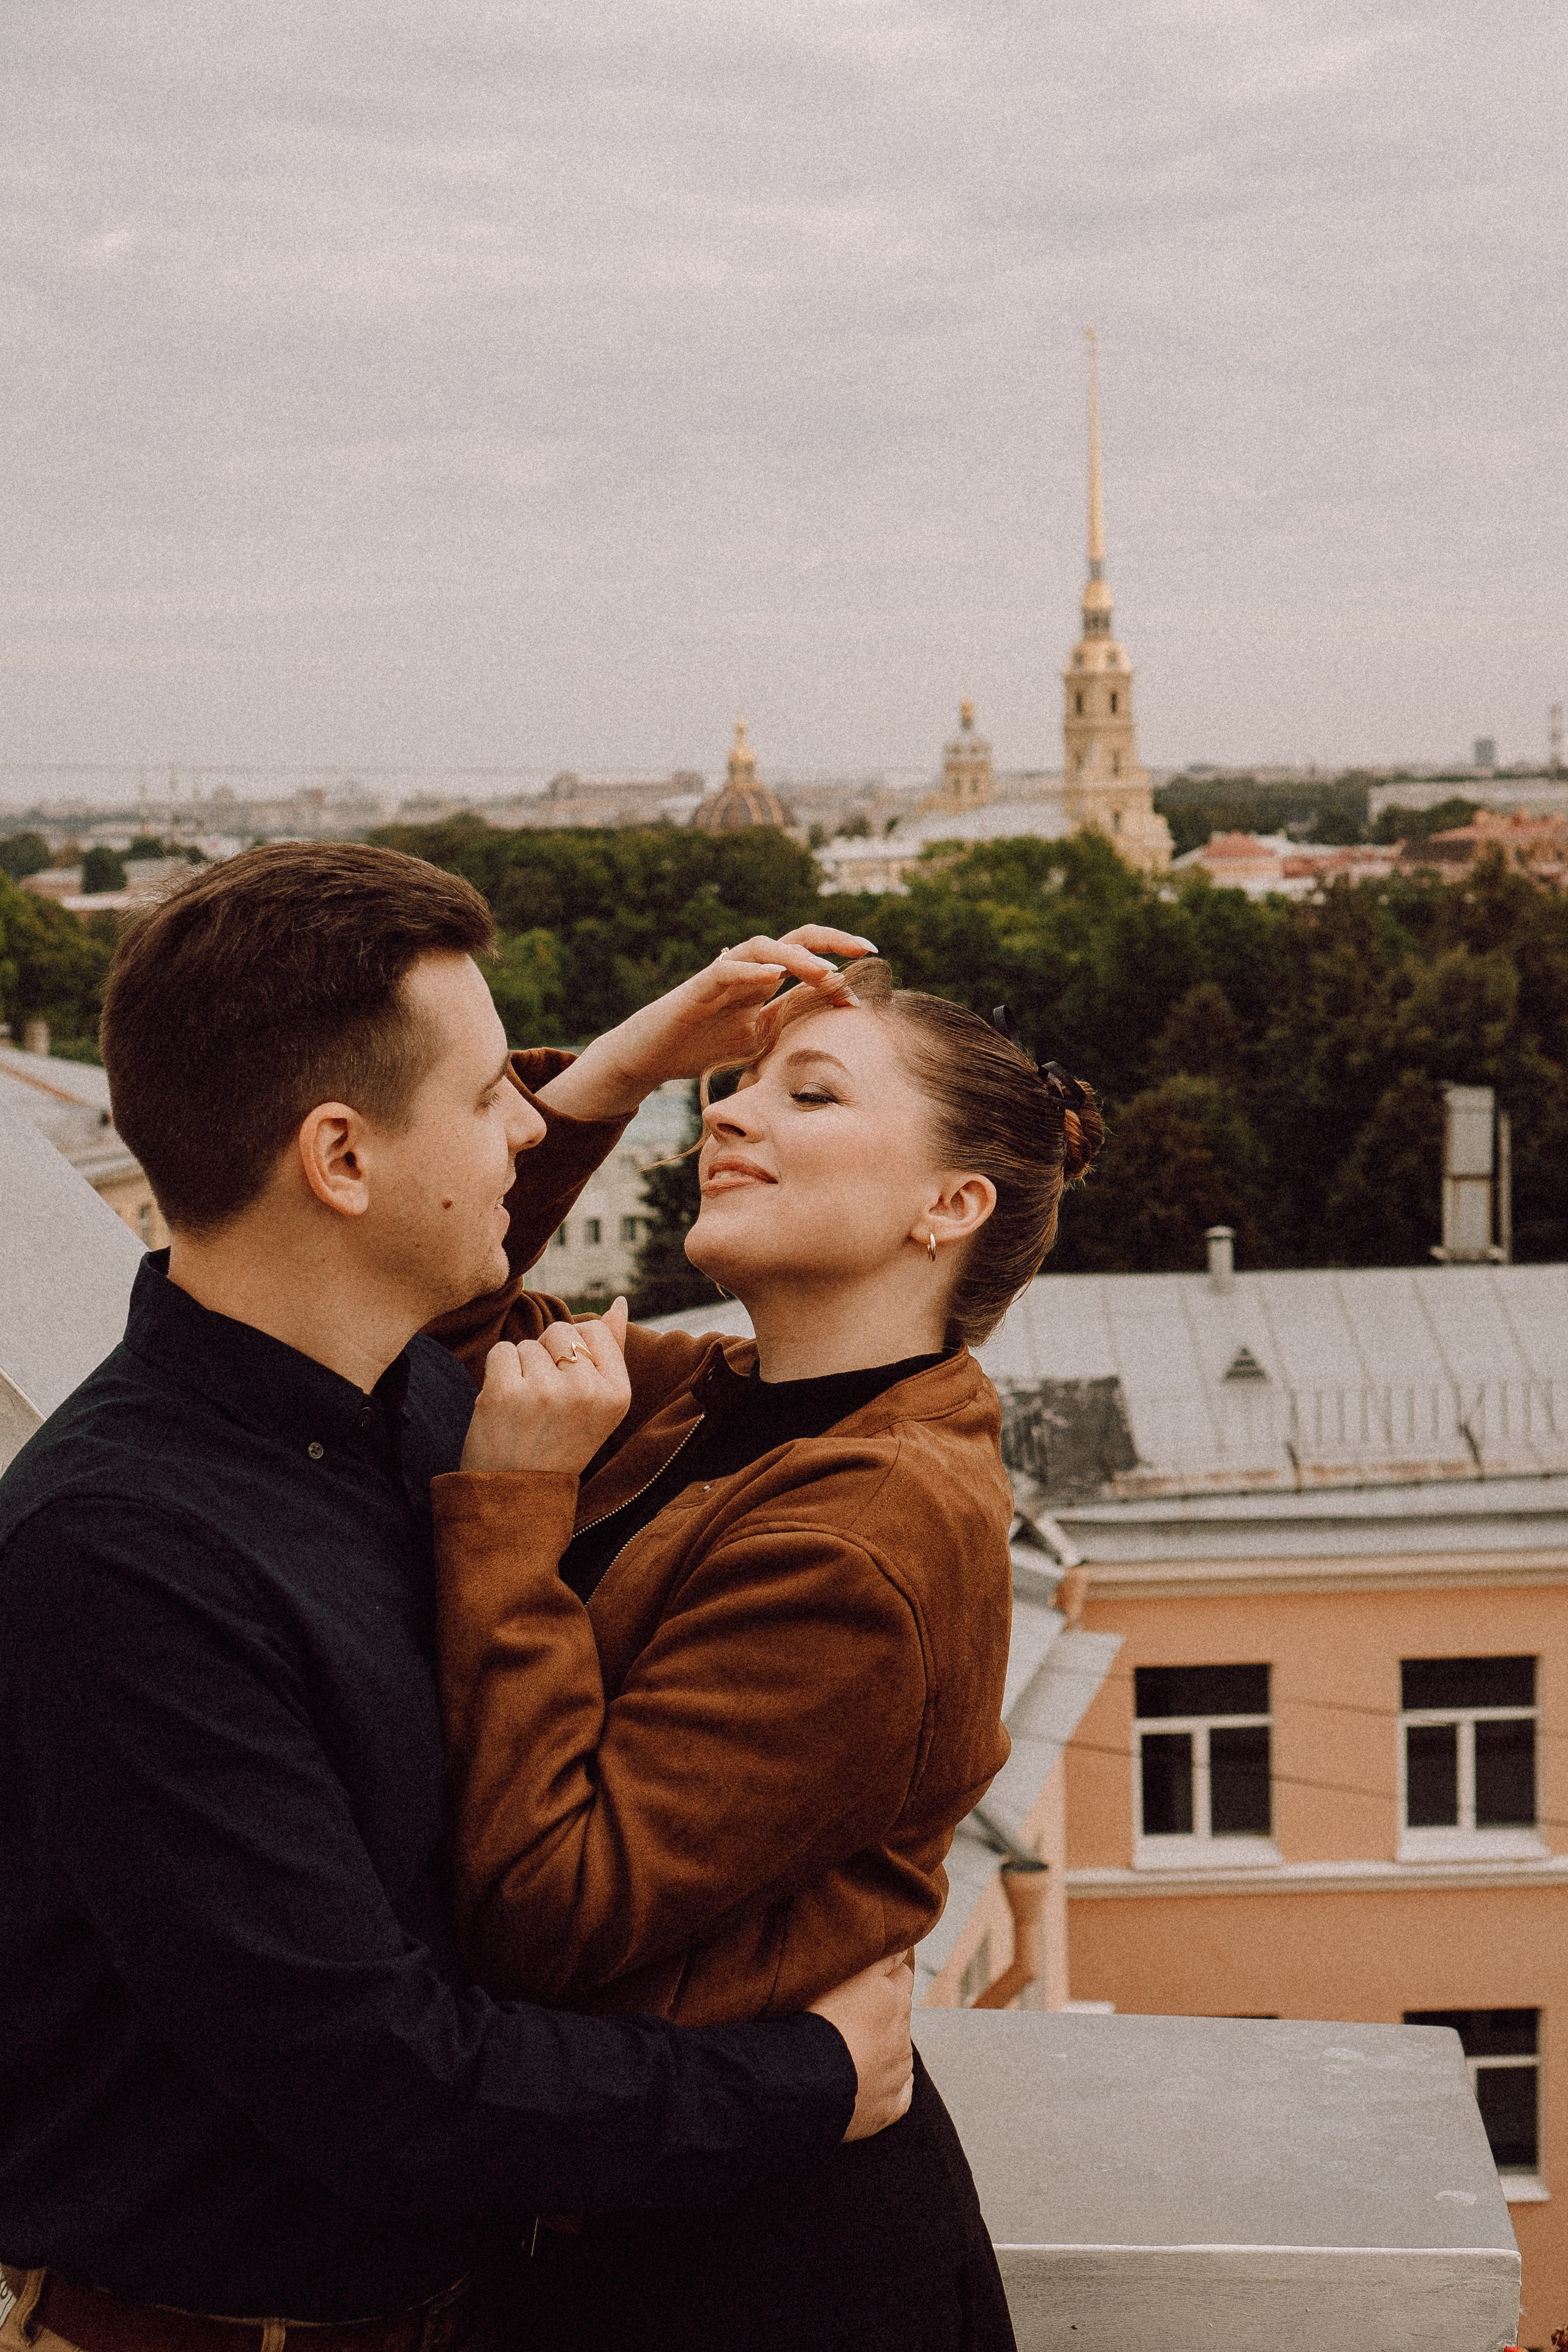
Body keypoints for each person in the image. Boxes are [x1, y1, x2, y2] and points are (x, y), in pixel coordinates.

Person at [0, 843, 916, 2352]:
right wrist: (808, 2080)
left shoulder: (408, 1410)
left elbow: (445, 1281)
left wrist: (619, 1073)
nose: (525, 1128)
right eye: (492, 1094)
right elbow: (380, 2084)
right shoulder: (123, 1553)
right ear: (341, 1161)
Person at [425, 957, 1104, 2350]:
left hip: (754, 2271)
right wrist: (615, 1071)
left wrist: (511, 1507)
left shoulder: (870, 1528)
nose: (727, 1115)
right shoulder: (707, 1404)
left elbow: (555, 1907)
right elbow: (411, 1315)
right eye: (731, 1089)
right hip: (643, 2211)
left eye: (811, 1094)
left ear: (950, 1207)